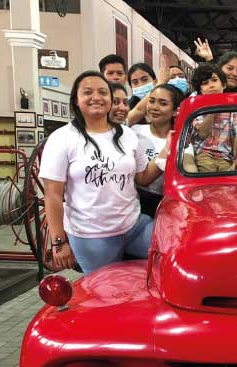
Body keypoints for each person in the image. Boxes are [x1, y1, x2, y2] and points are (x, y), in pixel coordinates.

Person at [39, 71, 166, 274]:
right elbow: (52, 195)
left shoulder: (127, 135)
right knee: (105, 294)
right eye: (87, 92)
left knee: (172, 254)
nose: (96, 97)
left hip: (134, 226)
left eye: (103, 92)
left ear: (110, 99)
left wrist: (167, 151)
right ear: (76, 100)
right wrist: (59, 242)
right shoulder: (62, 138)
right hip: (92, 237)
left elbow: (142, 177)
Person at [132, 84, 182, 216]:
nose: (154, 107)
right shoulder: (134, 131)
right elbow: (142, 180)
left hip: (165, 207)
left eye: (163, 103)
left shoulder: (179, 140)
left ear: (175, 111)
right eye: (152, 101)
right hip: (135, 203)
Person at [190, 63, 237, 172]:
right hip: (203, 155)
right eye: (205, 83)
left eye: (214, 80)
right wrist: (213, 110)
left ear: (224, 85)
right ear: (200, 91)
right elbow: (202, 134)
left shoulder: (232, 107)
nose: (211, 85)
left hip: (226, 157)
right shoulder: (196, 108)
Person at [127, 59, 170, 125]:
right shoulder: (126, 108)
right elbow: (138, 111)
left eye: (144, 80)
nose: (141, 85)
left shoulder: (168, 104)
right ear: (131, 87)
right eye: (135, 82)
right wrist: (161, 83)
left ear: (155, 82)